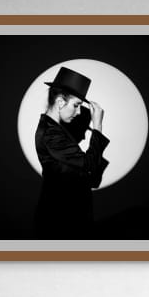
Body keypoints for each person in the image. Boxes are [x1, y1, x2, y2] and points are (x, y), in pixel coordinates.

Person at [33, 66, 109, 236]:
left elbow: (87, 175)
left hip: (67, 217)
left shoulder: (56, 130)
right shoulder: (51, 134)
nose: (78, 112)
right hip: (60, 222)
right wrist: (97, 126)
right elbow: (89, 166)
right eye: (76, 105)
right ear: (60, 102)